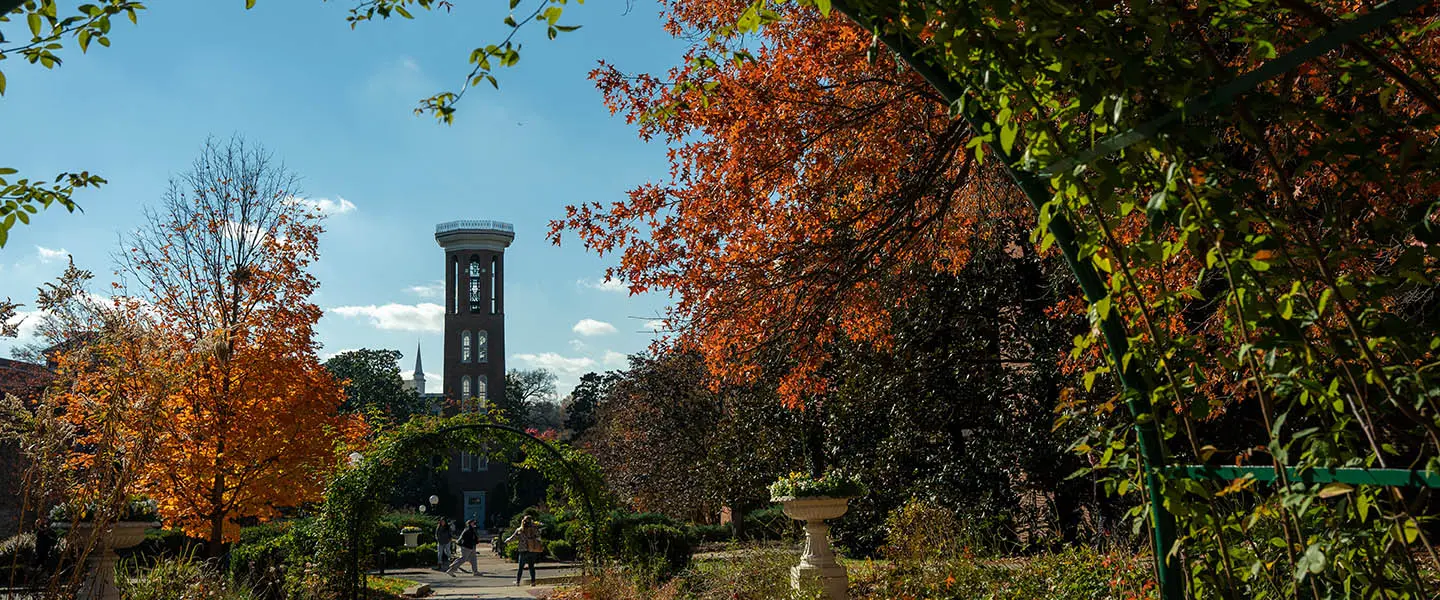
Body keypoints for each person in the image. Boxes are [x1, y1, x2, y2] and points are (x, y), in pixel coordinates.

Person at [504, 516, 545, 586]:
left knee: (520, 567)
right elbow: (539, 537)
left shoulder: (520, 530)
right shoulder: (534, 529)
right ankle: (533, 582)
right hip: (531, 549)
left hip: (522, 550)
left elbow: (513, 538)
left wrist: (507, 540)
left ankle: (518, 582)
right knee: (531, 566)